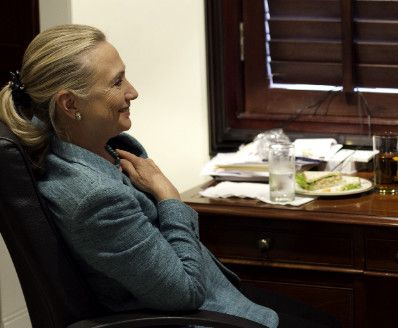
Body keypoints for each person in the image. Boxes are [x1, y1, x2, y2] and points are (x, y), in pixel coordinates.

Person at [0, 24, 339, 328]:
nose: (133, 92)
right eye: (117, 82)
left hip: (216, 293)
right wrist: (169, 197)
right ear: (70, 104)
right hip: (192, 315)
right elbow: (185, 293)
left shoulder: (97, 150)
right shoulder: (92, 198)